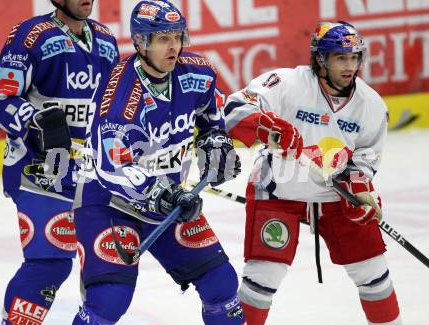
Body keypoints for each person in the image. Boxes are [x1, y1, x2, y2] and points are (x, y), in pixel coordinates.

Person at [71, 1, 244, 324]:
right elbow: (113, 167)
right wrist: (162, 192)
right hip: (107, 201)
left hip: (166, 200)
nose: (174, 46)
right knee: (109, 299)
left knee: (221, 283)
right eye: (163, 38)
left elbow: (211, 114)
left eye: (177, 36)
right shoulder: (120, 94)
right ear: (140, 42)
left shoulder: (197, 72)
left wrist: (215, 143)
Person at [224, 21, 402, 324]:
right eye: (340, 58)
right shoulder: (287, 83)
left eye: (354, 58)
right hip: (278, 190)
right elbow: (236, 107)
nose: (350, 66)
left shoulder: (371, 105)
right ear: (320, 59)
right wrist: (268, 126)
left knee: (373, 273)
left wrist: (358, 187)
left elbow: (365, 158)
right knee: (262, 279)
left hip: (336, 197)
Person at [0, 0, 119, 323]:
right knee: (51, 261)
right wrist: (35, 119)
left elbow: (110, 110)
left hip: (87, 174)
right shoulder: (31, 36)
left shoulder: (106, 40)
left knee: (103, 267)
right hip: (38, 170)